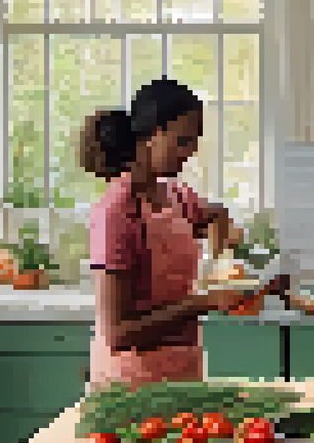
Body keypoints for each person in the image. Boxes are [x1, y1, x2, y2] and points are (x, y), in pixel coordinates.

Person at [81, 78, 263, 387]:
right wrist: (202, 302)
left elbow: (216, 214)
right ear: (150, 136)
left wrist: (219, 264)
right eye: (183, 141)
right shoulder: (116, 211)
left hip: (182, 371)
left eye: (195, 141)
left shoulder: (175, 195)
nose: (191, 151)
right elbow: (118, 334)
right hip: (131, 384)